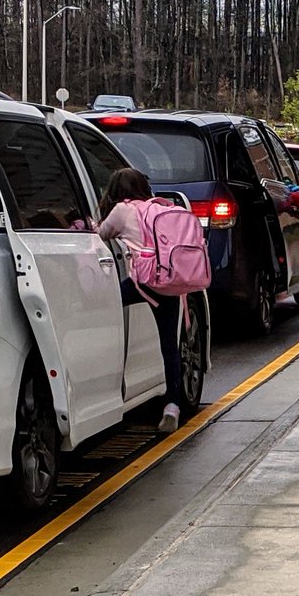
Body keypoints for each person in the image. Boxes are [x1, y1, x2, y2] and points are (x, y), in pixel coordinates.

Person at [97, 168, 185, 433]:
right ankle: (172, 405)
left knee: (105, 306)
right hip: (169, 282)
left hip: (142, 281)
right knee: (170, 345)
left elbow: (102, 234)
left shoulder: (122, 210)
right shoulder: (160, 207)